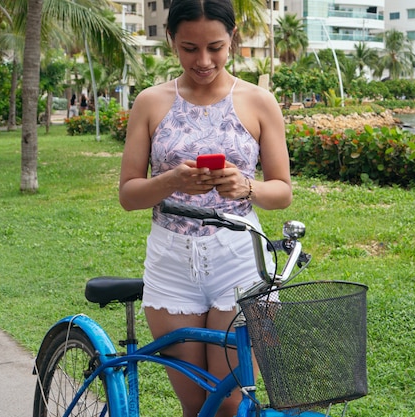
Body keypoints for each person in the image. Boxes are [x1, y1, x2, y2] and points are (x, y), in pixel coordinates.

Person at [118, 0, 292, 415]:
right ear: (172, 43)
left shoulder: (258, 101)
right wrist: (171, 181)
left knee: (229, 400)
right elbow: (128, 195)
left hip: (238, 259)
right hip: (172, 263)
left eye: (215, 46)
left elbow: (282, 190)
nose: (204, 60)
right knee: (196, 402)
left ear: (232, 38)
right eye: (189, 48)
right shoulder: (150, 102)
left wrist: (246, 186)